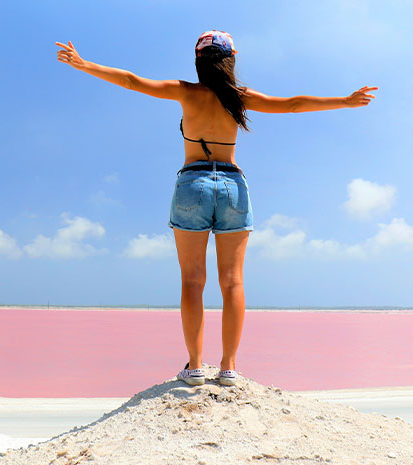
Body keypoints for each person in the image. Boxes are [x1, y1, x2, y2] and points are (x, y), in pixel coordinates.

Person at [55, 30, 376, 387]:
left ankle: (194, 367)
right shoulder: (239, 98)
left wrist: (85, 65)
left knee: (192, 281)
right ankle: (228, 367)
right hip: (232, 187)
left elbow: (131, 81)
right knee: (233, 281)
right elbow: (293, 104)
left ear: (198, 60)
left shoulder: (185, 92)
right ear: (231, 59)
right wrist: (344, 101)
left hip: (192, 184)